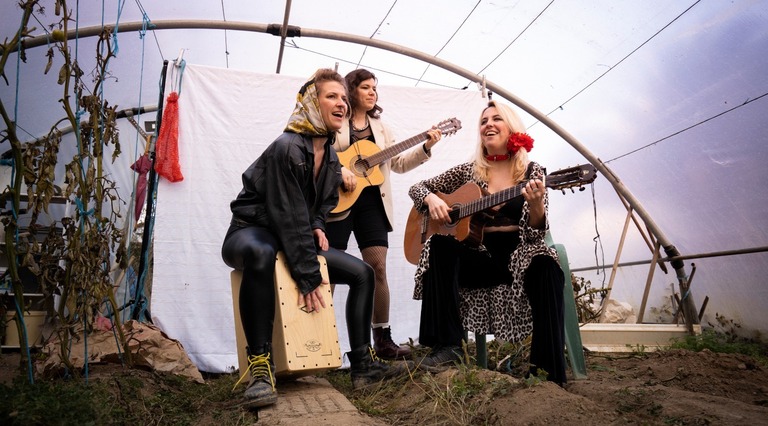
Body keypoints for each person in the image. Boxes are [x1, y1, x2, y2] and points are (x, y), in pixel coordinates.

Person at [221, 69, 405, 409]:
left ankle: (363, 365)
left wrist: (318, 224)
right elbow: (287, 216)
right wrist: (308, 276)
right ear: (310, 103)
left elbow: (323, 203)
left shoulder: (330, 154)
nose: (342, 103)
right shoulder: (287, 147)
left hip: (292, 233)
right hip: (251, 230)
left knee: (363, 273)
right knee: (262, 254)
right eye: (331, 96)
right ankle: (260, 367)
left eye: (343, 98)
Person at [407, 100, 567, 386]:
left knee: (547, 265)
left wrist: (536, 205)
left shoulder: (532, 172)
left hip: (518, 257)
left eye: (496, 119)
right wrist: (431, 199)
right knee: (440, 246)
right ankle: (448, 349)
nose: (489, 124)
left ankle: (547, 373)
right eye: (483, 121)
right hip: (479, 257)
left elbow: (535, 236)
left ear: (512, 128)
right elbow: (417, 187)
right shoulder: (469, 172)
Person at [326, 68, 443, 359]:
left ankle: (383, 340)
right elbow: (321, 153)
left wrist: (426, 146)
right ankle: (319, 337)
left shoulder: (381, 128)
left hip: (372, 204)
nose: (372, 92)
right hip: (338, 202)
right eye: (365, 87)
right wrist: (340, 170)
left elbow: (399, 163)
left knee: (378, 268)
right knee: (328, 269)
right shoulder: (336, 120)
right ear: (351, 89)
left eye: (374, 88)